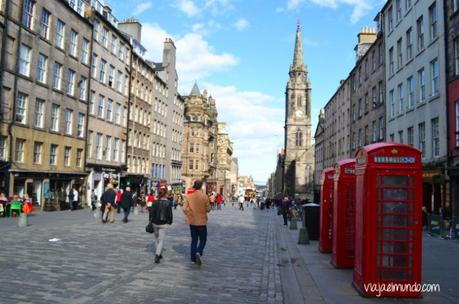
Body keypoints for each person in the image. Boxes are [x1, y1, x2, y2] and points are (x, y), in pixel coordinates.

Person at [182, 180, 211, 265]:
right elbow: (208, 209)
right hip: (202, 221)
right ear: (201, 186)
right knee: (203, 239)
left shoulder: (188, 196)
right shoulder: (204, 197)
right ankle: (199, 251)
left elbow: (184, 208)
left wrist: (190, 213)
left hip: (193, 221)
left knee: (194, 240)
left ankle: (193, 259)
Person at [149, 187, 173, 263]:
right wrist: (170, 221)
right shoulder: (168, 203)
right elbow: (170, 214)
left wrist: (150, 220)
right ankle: (157, 255)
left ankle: (158, 253)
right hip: (163, 223)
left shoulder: (154, 202)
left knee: (156, 239)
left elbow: (151, 212)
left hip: (155, 222)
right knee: (161, 240)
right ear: (165, 194)